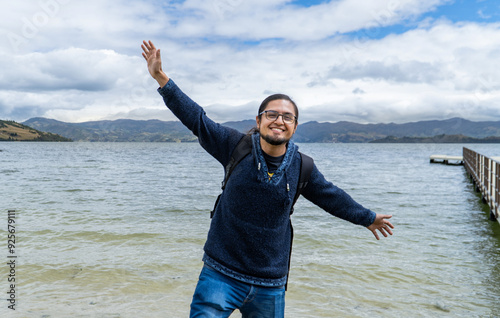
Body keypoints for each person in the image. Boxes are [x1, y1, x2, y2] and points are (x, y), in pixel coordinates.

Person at [141, 40, 394, 318]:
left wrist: (367, 217)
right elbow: (197, 119)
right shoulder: (234, 146)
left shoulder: (302, 166)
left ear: (295, 127)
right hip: (220, 273)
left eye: (287, 116)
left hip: (270, 284)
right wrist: (161, 78)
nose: (279, 120)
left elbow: (331, 197)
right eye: (271, 114)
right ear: (259, 120)